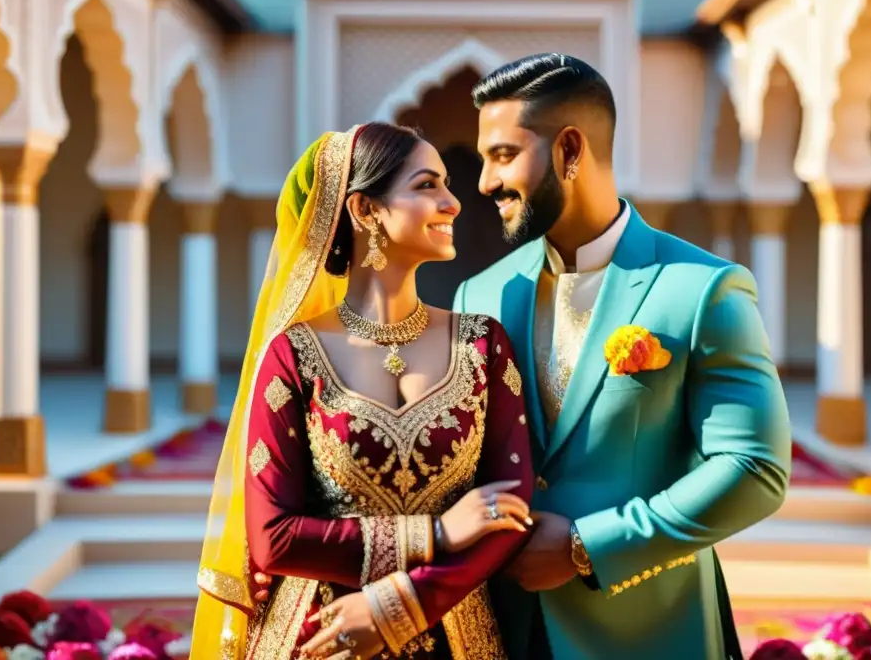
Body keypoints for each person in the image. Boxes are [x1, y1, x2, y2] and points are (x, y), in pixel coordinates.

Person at [453, 53, 793, 659]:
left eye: (503, 155)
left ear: (570, 151)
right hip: (503, 628)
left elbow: (753, 468)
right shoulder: (480, 294)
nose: (483, 182)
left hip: (649, 631)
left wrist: (589, 545)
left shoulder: (702, 288)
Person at [190, 123, 536, 660]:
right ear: (365, 210)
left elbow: (511, 509)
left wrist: (406, 604)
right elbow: (273, 537)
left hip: (455, 631)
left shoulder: (483, 345)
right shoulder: (293, 356)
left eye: (446, 184)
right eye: (427, 186)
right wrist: (436, 535)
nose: (453, 203)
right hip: (321, 636)